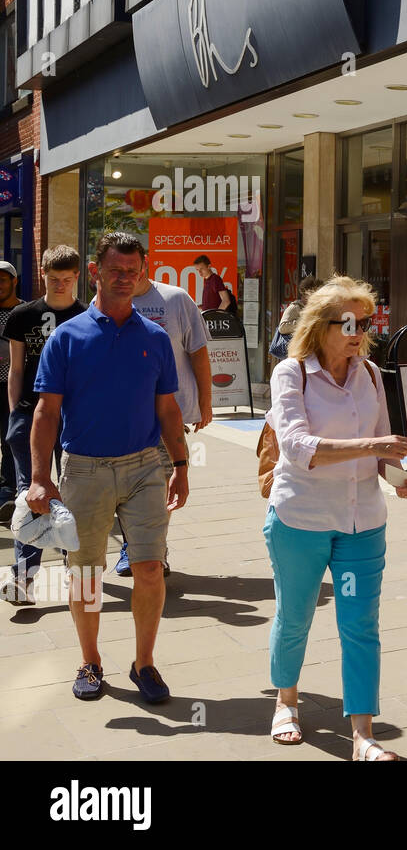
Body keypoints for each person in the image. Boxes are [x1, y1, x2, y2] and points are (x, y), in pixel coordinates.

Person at [262, 275, 407, 760]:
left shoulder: (371, 374)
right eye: (347, 322)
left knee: (361, 625)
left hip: (363, 522)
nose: (358, 332)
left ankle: (363, 736)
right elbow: (297, 447)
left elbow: (382, 445)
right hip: (300, 520)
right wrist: (374, 447)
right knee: (295, 617)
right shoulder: (292, 373)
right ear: (321, 324)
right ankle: (286, 703)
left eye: (365, 322)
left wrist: (401, 478)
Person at [27, 233, 188, 703]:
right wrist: (40, 478)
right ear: (96, 271)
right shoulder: (67, 337)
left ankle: (145, 664)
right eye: (115, 269)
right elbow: (46, 413)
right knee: (86, 574)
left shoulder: (155, 338)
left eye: (133, 270)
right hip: (84, 470)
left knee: (150, 569)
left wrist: (180, 465)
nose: (124, 278)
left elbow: (169, 411)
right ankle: (91, 662)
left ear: (142, 273)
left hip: (144, 468)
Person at [114, 264, 215, 576]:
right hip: (122, 415)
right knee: (125, 488)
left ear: (146, 265)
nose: (129, 274)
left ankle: (154, 550)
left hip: (169, 415)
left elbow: (198, 352)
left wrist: (205, 401)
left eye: (135, 267)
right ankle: (133, 547)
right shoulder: (108, 301)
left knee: (161, 489)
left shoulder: (175, 299)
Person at [0, 246, 84, 606]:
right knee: (29, 493)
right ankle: (23, 578)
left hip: (74, 419)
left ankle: (74, 566)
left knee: (71, 491)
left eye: (67, 280)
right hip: (29, 415)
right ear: (43, 275)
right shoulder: (22, 314)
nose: (61, 286)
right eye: (54, 280)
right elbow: (16, 369)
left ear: (78, 277)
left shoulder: (88, 315)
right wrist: (15, 413)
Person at [0, 261, 23, 522]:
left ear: (13, 281)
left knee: (10, 439)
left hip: (12, 387)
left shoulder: (24, 311)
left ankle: (8, 492)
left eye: (3, 280)